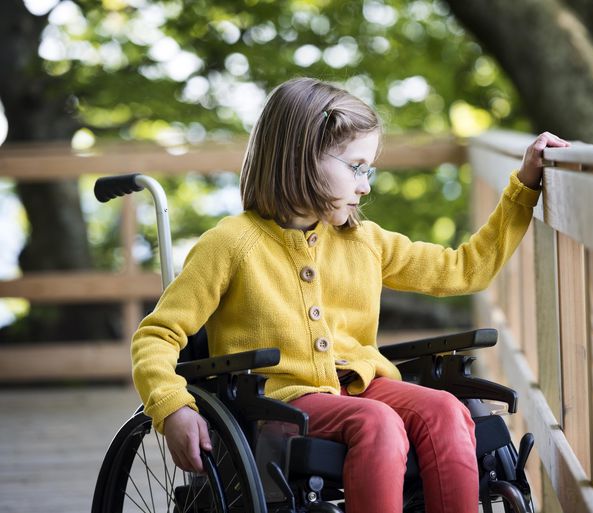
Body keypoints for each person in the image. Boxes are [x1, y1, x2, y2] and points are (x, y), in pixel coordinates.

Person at [131, 76, 569, 513]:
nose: (365, 186)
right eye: (356, 167)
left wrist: (523, 189)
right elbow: (157, 336)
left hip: (360, 387)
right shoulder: (231, 244)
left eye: (368, 170)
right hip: (278, 403)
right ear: (303, 158)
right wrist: (173, 409)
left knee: (446, 410)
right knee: (377, 422)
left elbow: (464, 269)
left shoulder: (364, 241)